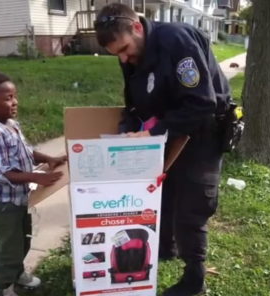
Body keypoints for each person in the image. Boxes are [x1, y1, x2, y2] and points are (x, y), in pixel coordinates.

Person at [95, 4, 231, 296]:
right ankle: (164, 248)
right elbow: (132, 100)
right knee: (162, 192)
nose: (123, 58)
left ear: (137, 27)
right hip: (166, 128)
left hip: (202, 130)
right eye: (116, 54)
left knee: (192, 205)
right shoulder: (130, 53)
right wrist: (127, 128)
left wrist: (152, 132)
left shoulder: (177, 40)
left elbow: (202, 103)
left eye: (125, 49)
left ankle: (195, 277)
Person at [0, 73, 66, 296]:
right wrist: (37, 178)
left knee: (23, 239)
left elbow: (25, 151)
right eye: (8, 98)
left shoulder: (10, 124)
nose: (15, 102)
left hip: (19, 197)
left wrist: (48, 159)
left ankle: (17, 274)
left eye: (15, 96)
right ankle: (1, 287)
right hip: (2, 201)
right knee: (9, 248)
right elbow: (0, 171)